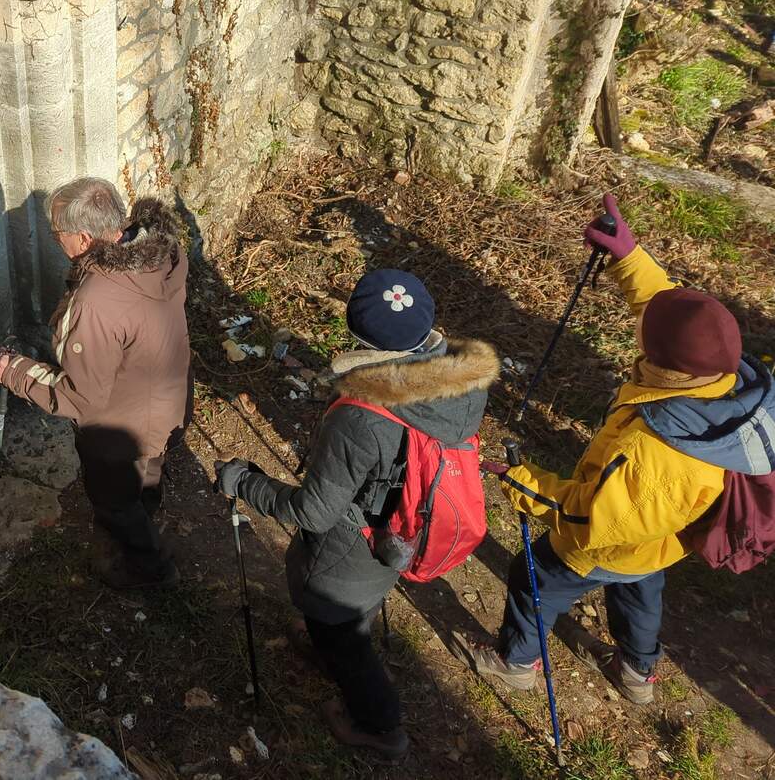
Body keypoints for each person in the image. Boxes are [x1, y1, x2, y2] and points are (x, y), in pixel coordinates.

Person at [453, 194, 770, 705]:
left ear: (664, 362)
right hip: (658, 541)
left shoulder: (660, 453)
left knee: (532, 578)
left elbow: (592, 517)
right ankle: (637, 671)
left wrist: (523, 484)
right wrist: (629, 257)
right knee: (641, 590)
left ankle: (514, 663)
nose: (639, 330)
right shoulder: (720, 382)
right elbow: (662, 309)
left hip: (610, 537)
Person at [216, 269, 500, 761]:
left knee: (341, 638)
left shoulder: (362, 415)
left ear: (360, 340)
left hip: (351, 554)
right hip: (402, 530)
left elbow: (314, 513)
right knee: (353, 616)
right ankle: (344, 635)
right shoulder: (464, 382)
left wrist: (246, 482)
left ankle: (379, 725)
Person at [0, 177, 191, 590]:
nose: (55, 241)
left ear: (83, 238)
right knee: (149, 471)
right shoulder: (160, 249)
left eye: (57, 233)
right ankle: (147, 510)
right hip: (168, 400)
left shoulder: (96, 301)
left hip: (122, 429)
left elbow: (79, 397)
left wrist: (15, 371)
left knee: (114, 502)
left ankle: (150, 569)